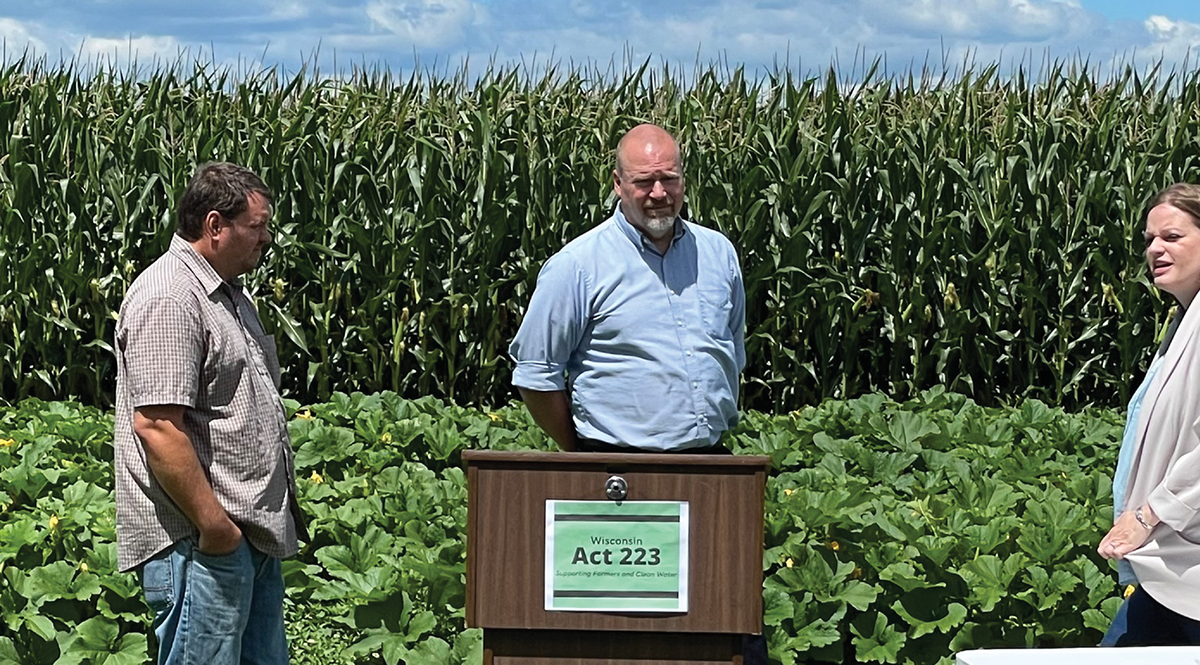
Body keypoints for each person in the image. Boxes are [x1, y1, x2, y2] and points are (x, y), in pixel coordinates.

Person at [114, 162, 305, 664]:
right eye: (257, 227)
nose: (266, 239)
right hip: (199, 545)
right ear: (215, 226)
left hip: (242, 539)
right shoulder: (170, 297)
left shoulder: (228, 294)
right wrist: (216, 529)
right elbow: (156, 427)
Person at [509, 123, 746, 453]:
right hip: (615, 469)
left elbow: (732, 353)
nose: (659, 193)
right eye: (645, 182)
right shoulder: (577, 265)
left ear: (684, 179)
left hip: (710, 464)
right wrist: (578, 454)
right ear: (618, 184)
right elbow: (536, 375)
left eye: (669, 178)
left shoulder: (718, 253)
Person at [1098, 182, 1200, 645]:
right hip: (1174, 568)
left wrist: (1147, 515)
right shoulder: (1183, 323)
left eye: (1172, 237)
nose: (1155, 249)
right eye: (1149, 240)